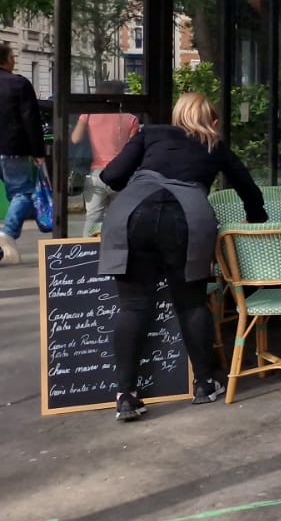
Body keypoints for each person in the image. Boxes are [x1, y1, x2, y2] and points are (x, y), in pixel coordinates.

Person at [99, 92, 266, 422]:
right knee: (191, 303)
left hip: (133, 215)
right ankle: (203, 383)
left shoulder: (149, 134)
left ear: (176, 115)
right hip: (187, 218)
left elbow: (111, 176)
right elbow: (248, 188)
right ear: (213, 121)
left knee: (133, 306)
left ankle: (127, 396)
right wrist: (256, 217)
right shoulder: (213, 144)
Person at [70, 81, 140, 238]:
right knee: (121, 218)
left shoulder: (88, 115)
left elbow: (75, 138)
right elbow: (132, 149)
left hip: (96, 173)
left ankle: (88, 250)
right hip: (122, 173)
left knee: (93, 217)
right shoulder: (131, 119)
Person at [0, 41, 46, 265]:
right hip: (12, 148)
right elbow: (31, 119)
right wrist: (38, 151)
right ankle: (7, 233)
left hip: (10, 148)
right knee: (23, 192)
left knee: (16, 194)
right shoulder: (19, 84)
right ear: (8, 60)